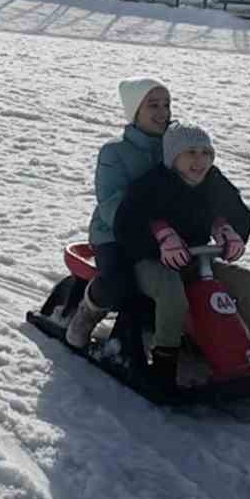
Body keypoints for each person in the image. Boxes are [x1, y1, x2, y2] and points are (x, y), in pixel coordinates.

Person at [113, 122, 250, 387]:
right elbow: (126, 226)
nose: (200, 161)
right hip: (149, 262)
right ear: (173, 156)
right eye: (191, 153)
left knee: (247, 282)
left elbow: (239, 212)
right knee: (172, 293)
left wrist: (231, 231)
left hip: (196, 259)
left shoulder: (213, 181)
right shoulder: (153, 184)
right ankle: (164, 363)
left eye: (206, 153)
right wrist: (159, 242)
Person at [63, 77, 172, 349]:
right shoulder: (114, 152)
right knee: (119, 282)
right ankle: (87, 313)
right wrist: (148, 232)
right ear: (135, 111)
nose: (163, 112)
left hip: (166, 235)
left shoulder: (175, 148)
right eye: (153, 105)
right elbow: (110, 203)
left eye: (166, 105)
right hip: (114, 234)